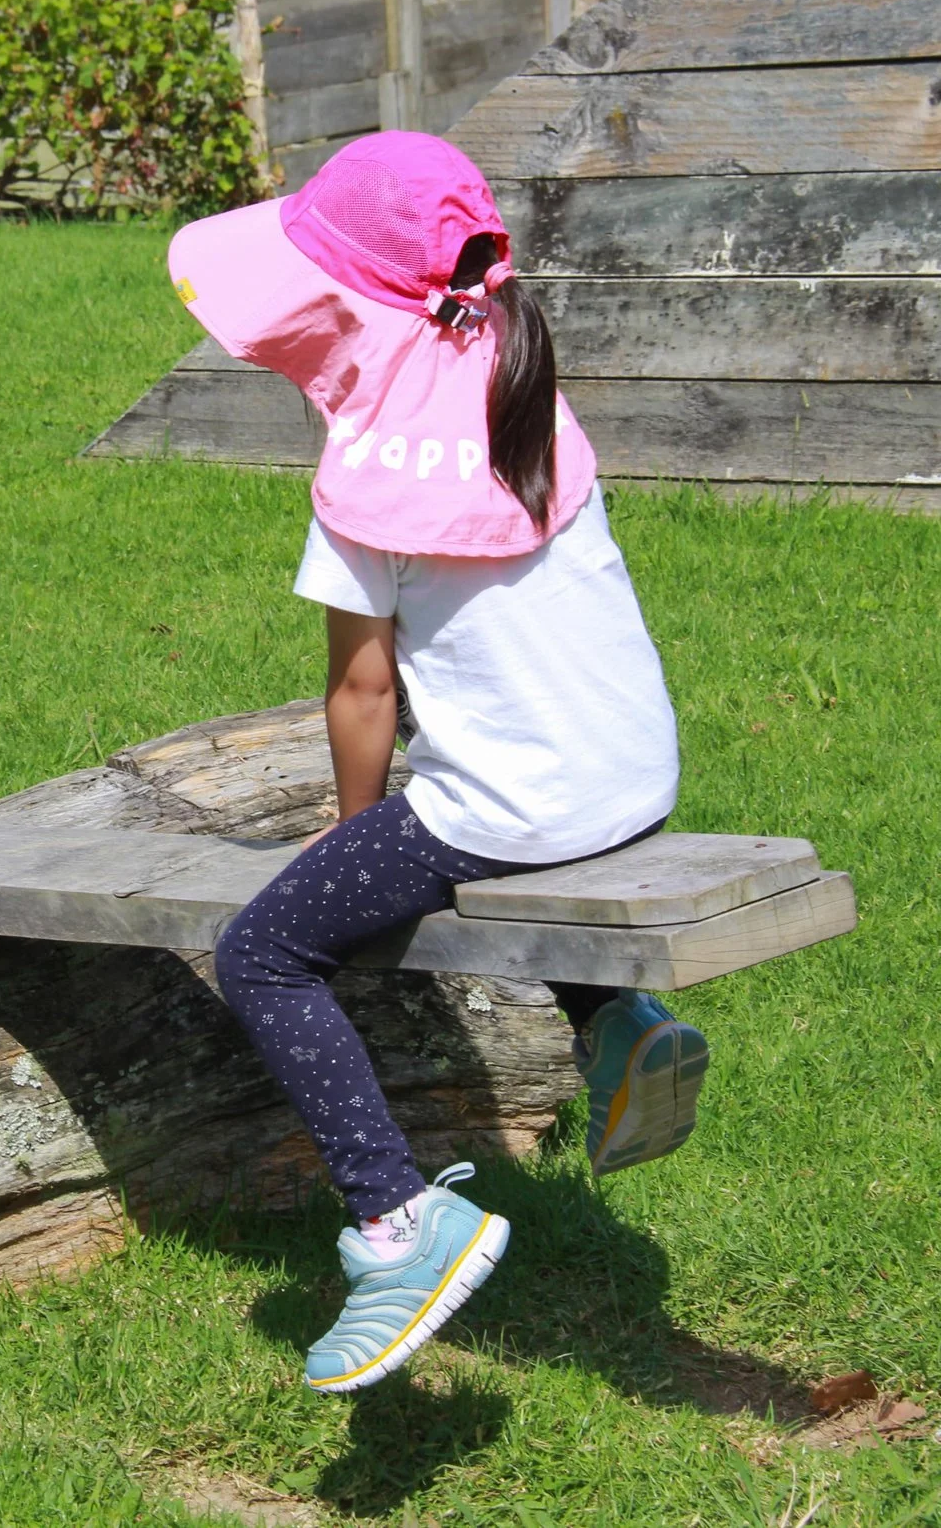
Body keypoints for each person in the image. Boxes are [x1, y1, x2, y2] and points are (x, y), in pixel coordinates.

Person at [172, 133, 703, 1394]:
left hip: (520, 798)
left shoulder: (367, 476)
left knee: (264, 949)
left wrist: (350, 827)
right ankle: (619, 1023)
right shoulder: (526, 392)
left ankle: (398, 1220)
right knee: (497, 829)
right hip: (632, 769)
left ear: (342, 311)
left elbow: (365, 693)